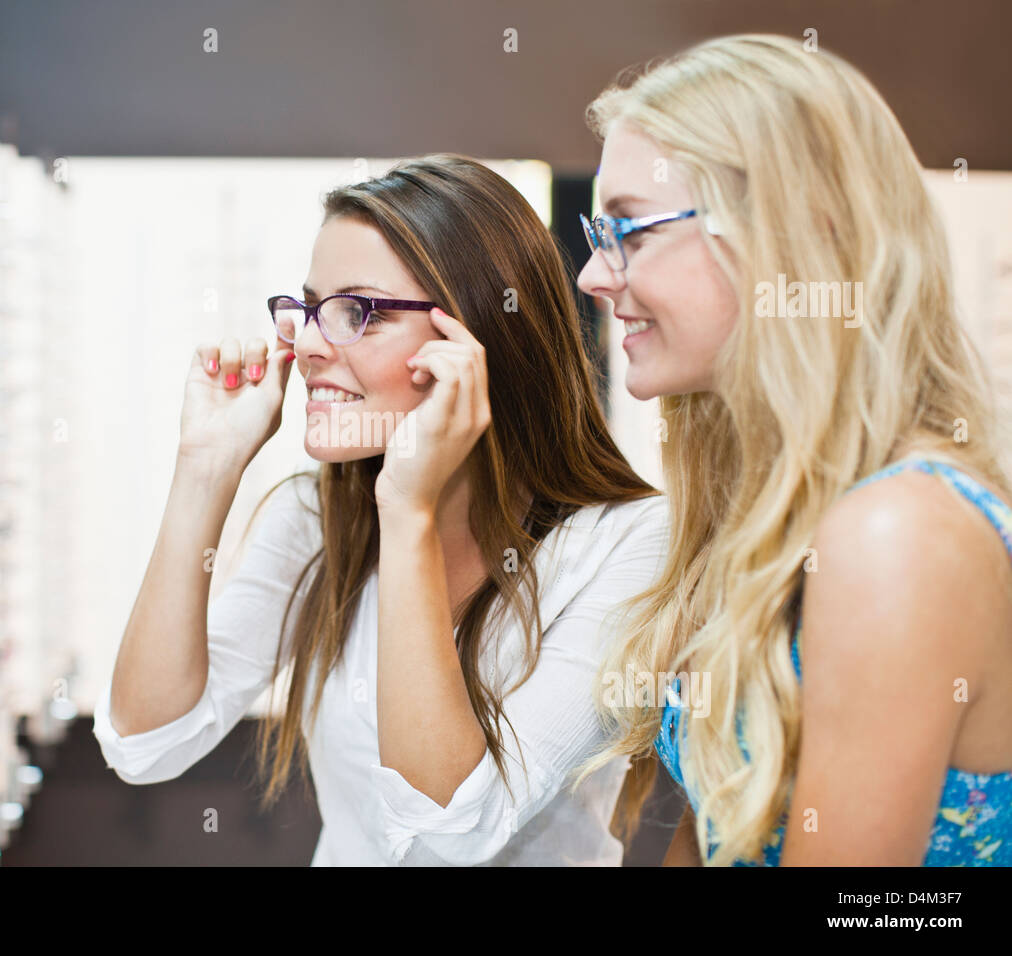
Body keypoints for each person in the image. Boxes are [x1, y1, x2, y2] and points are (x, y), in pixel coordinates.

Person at [94, 153, 670, 865]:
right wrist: (203, 468)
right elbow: (145, 744)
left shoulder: (628, 542)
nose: (308, 345)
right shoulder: (316, 518)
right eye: (309, 309)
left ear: (476, 340)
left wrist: (407, 511)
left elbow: (454, 825)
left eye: (356, 313)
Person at [569, 34, 1012, 866]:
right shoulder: (754, 510)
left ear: (788, 235)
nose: (593, 275)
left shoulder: (900, 534)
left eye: (629, 228)